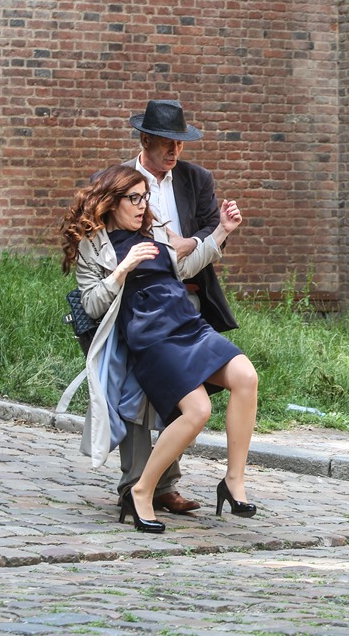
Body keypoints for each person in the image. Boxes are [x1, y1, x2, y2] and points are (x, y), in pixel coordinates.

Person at [59, 165, 258, 533]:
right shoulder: (93, 246)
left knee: (246, 376)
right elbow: (91, 305)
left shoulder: (155, 231)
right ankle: (142, 490)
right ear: (112, 202)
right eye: (134, 198)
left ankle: (233, 481)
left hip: (187, 323)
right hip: (151, 337)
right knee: (198, 410)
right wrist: (122, 269)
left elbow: (184, 267)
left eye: (144, 198)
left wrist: (221, 232)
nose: (142, 205)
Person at [115, 99, 239, 516]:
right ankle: (133, 486)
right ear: (144, 139)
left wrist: (194, 241)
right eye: (167, 142)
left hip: (187, 296)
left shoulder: (196, 178)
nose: (175, 150)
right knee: (135, 391)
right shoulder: (119, 179)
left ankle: (164, 485)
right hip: (139, 301)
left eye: (180, 143)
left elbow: (210, 225)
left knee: (181, 392)